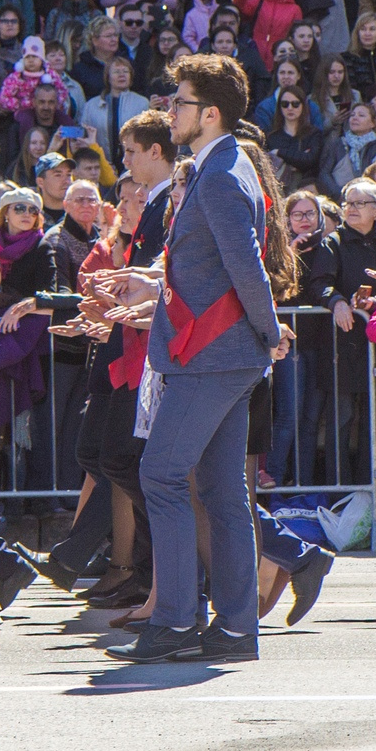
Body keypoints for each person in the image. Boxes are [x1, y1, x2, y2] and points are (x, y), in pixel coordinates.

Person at [105, 53, 280, 665]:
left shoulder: (224, 172)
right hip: (216, 353)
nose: (167, 110)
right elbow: (207, 267)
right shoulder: (215, 167)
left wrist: (270, 330)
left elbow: (246, 265)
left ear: (208, 113)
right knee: (222, 490)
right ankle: (233, 626)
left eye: (177, 103)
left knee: (160, 474)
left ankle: (178, 622)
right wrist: (153, 287)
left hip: (214, 356)